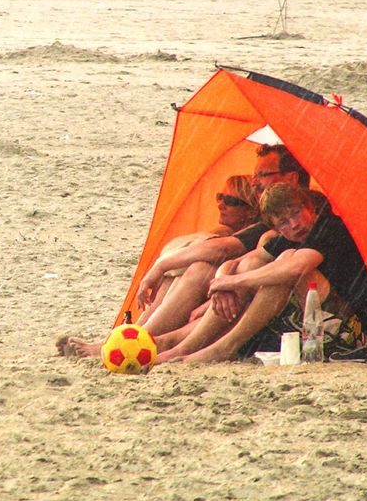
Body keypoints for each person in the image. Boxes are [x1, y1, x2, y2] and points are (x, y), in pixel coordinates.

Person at [59, 144, 308, 358]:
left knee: (201, 268)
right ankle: (133, 336)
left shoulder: (290, 216)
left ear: (292, 178)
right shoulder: (276, 217)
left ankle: (144, 340)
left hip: (276, 300)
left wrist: (163, 266)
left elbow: (230, 248)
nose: (256, 182)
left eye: (263, 174)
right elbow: (239, 253)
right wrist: (221, 277)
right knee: (192, 267)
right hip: (249, 290)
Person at [156, 183, 367, 364]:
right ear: (276, 228)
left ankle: (224, 347)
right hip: (311, 323)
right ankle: (182, 345)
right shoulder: (286, 238)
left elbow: (296, 268)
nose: (294, 224)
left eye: (296, 213)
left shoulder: (330, 227)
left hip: (351, 332)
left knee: (284, 263)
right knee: (254, 263)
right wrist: (222, 283)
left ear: (309, 207)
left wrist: (233, 282)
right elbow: (238, 262)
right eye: (283, 222)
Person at [135, 174, 260, 325]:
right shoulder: (223, 232)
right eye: (220, 197)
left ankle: (143, 334)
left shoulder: (253, 235)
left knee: (198, 268)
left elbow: (221, 250)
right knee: (178, 268)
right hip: (217, 290)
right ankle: (138, 329)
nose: (220, 205)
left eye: (230, 201)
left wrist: (160, 267)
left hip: (230, 297)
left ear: (251, 212)